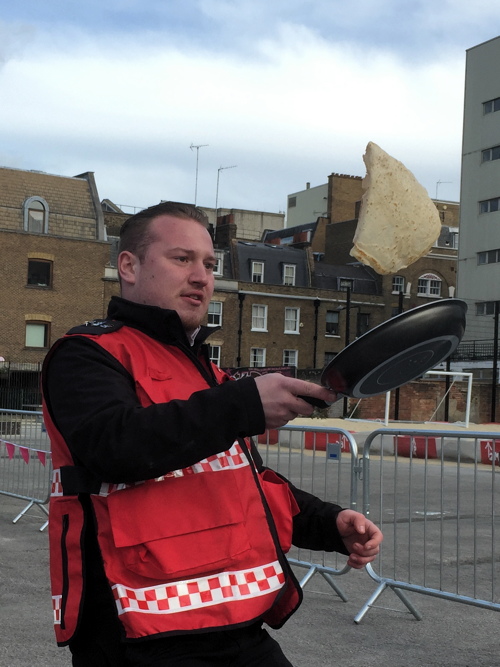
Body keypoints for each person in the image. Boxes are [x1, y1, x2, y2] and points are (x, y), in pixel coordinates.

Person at [42, 201, 383, 667]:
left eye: (209, 263)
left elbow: (241, 483)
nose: (202, 276)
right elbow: (114, 447)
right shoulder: (86, 353)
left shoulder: (206, 372)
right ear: (129, 266)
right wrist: (242, 404)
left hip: (239, 628)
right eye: (181, 259)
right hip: (137, 637)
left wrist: (330, 523)